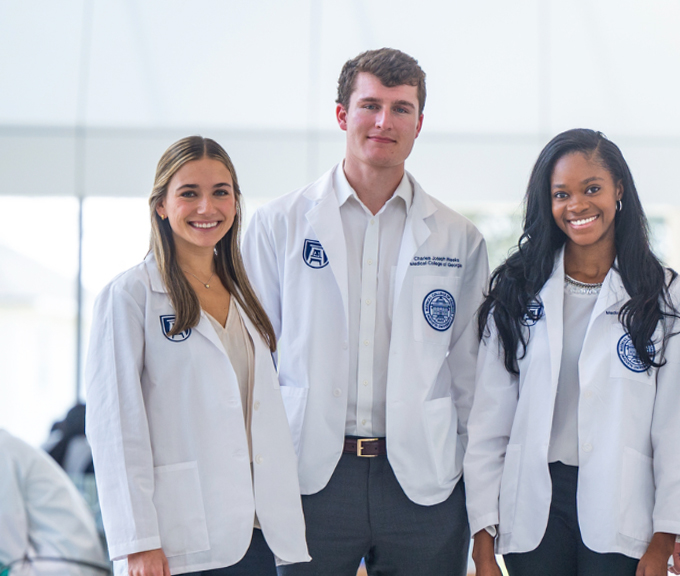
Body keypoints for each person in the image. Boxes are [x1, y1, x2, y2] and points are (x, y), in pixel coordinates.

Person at [241, 48, 488, 575]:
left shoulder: (459, 238)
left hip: (423, 481)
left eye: (401, 108)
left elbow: (472, 377)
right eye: (370, 105)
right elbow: (253, 362)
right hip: (310, 475)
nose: (384, 121)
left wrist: (478, 491)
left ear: (420, 123)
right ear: (341, 115)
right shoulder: (277, 226)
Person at [464, 129, 680, 576]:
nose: (577, 205)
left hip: (623, 503)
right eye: (562, 194)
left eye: (591, 188)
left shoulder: (667, 295)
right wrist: (482, 543)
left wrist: (664, 537)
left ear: (618, 191)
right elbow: (488, 423)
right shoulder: (517, 291)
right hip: (536, 502)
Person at [85, 136, 310, 576]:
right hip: (178, 540)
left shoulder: (246, 297)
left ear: (236, 203)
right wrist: (138, 544)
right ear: (162, 206)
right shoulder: (129, 297)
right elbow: (116, 431)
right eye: (189, 193)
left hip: (259, 534)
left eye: (220, 192)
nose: (207, 207)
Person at [0, 428, 105, 576]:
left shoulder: (3, 450)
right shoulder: (8, 446)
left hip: (66, 566)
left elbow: (10, 556)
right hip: (75, 563)